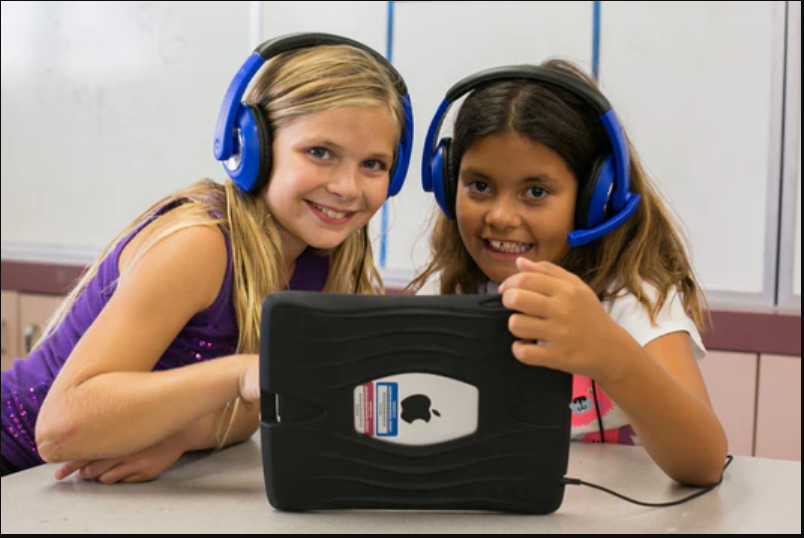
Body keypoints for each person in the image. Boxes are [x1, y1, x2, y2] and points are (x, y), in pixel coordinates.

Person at [1, 33, 414, 483]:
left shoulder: (331, 256)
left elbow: (262, 405)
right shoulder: (201, 243)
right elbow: (60, 429)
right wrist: (237, 374)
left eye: (373, 164)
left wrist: (181, 434)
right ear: (253, 146)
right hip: (16, 469)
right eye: (320, 153)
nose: (349, 188)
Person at [410, 60, 727, 486]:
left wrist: (609, 352)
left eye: (535, 192)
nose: (501, 216)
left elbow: (703, 462)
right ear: (448, 184)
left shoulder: (629, 300)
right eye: (479, 186)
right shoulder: (446, 292)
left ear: (594, 200)